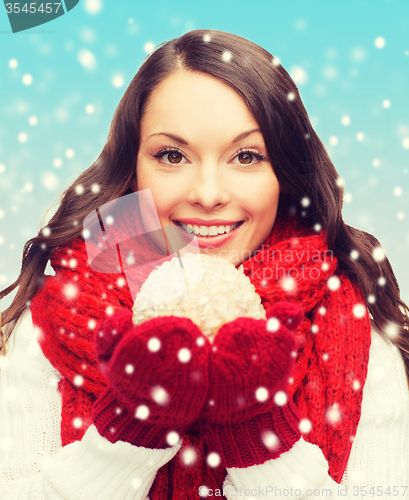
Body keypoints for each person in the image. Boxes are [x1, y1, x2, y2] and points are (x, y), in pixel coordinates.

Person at [0, 28, 408, 500]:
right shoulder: (47, 328)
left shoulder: (355, 328)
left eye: (247, 156)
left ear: (286, 174)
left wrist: (258, 435)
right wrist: (132, 425)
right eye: (172, 155)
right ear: (133, 168)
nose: (209, 194)